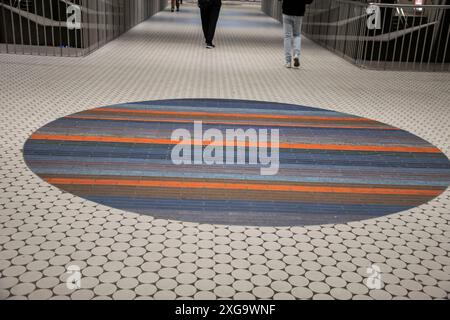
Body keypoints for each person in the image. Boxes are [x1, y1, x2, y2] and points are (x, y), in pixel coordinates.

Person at [278, 0, 313, 68]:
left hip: (287, 11)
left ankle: (288, 62)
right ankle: (296, 54)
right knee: (297, 35)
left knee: (287, 36)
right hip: (299, 13)